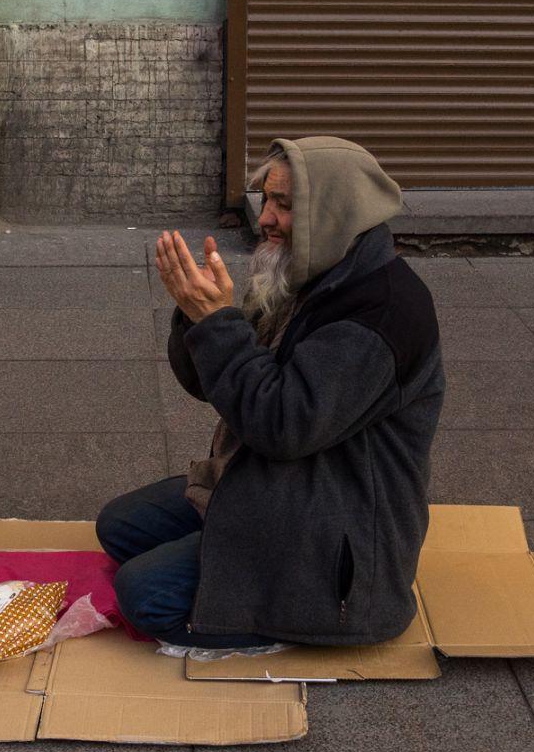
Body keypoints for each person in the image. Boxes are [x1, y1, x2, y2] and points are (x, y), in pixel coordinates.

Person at [96, 136, 444, 649]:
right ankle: (232, 556)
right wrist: (200, 315)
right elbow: (216, 383)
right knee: (119, 526)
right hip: (286, 479)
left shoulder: (380, 316)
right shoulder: (317, 272)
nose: (266, 219)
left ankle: (297, 619)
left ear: (335, 211)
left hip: (338, 526)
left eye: (286, 205)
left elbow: (281, 424)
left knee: (143, 595)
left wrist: (216, 322)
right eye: (269, 200)